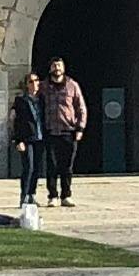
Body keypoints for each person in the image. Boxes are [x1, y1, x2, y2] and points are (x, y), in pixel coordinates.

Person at [38, 58, 88, 207]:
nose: (57, 68)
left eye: (59, 65)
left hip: (69, 131)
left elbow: (81, 108)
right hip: (51, 131)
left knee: (67, 166)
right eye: (54, 65)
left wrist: (80, 128)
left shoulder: (72, 86)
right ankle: (52, 195)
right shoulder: (43, 87)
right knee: (51, 165)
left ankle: (66, 195)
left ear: (64, 68)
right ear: (50, 69)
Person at [7, 73, 48, 224]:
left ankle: (32, 194)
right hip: (26, 139)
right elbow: (15, 122)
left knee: (37, 168)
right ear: (26, 84)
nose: (34, 84)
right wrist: (17, 140)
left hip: (40, 138)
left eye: (37, 80)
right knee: (28, 167)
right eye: (31, 81)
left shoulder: (42, 101)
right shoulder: (20, 101)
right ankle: (24, 195)